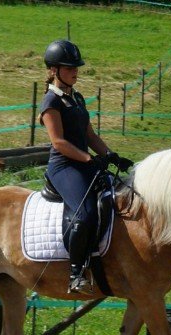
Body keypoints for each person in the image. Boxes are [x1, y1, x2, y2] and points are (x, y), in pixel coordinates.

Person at [39, 39, 133, 294]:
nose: (75, 71)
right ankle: (76, 272)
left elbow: (90, 136)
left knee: (117, 198)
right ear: (53, 70)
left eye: (76, 67)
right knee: (85, 213)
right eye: (69, 67)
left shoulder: (77, 98)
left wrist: (112, 156)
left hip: (83, 163)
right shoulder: (51, 102)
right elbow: (58, 142)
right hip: (64, 167)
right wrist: (90, 159)